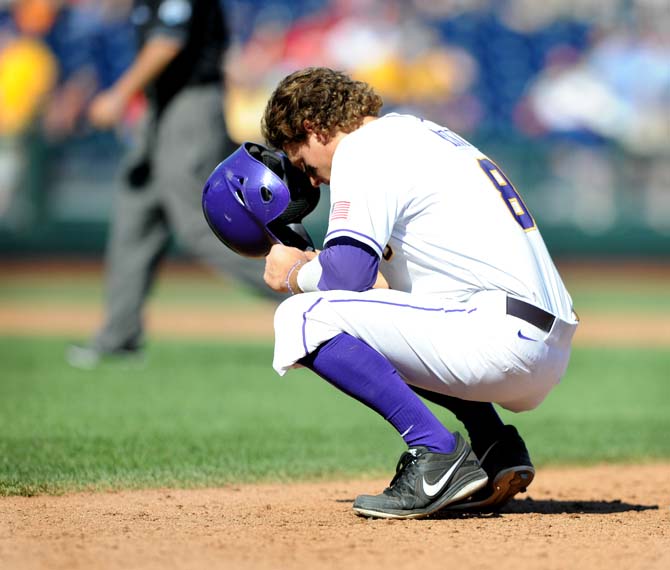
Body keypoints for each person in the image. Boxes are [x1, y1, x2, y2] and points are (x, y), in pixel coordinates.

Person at [251, 67, 579, 519]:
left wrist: (294, 276)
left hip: (498, 338)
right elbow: (377, 288)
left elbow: (346, 277)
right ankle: (493, 445)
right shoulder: (419, 136)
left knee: (301, 317)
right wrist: (318, 267)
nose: (314, 180)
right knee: (377, 317)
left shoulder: (362, 150)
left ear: (312, 128)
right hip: (539, 341)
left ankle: (435, 454)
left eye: (304, 162)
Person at [67, 0, 275, 369]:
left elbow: (168, 42)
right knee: (137, 214)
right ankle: (120, 336)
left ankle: (303, 290)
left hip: (190, 105)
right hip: (162, 106)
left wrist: (118, 95)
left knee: (202, 226)